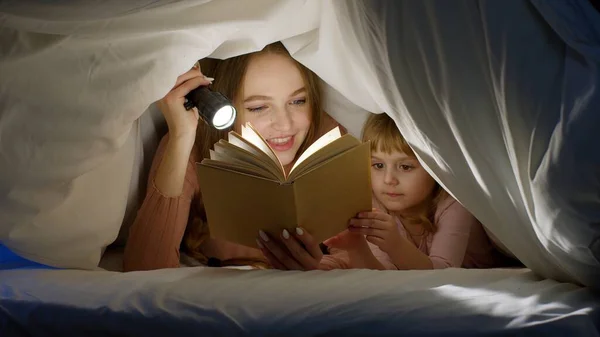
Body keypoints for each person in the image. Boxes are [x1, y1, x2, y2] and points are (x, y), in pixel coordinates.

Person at [123, 42, 355, 271]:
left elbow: (362, 253)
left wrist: (322, 266)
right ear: (226, 104)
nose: (285, 124)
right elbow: (144, 271)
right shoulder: (193, 144)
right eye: (258, 108)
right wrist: (181, 135)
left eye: (297, 101)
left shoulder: (326, 137)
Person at [326, 113, 508, 270]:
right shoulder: (373, 203)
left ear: (434, 168)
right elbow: (384, 275)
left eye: (405, 167)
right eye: (378, 165)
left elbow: (444, 271)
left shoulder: (453, 201)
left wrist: (395, 245)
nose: (388, 179)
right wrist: (357, 248)